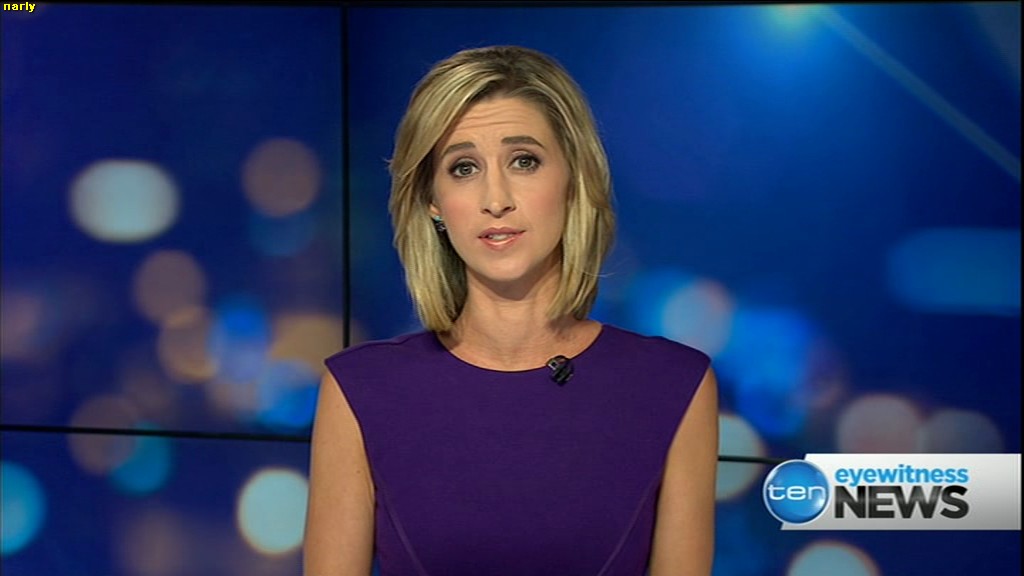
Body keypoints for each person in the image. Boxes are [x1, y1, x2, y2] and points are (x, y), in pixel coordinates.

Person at [304, 45, 718, 576]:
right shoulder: (360, 389)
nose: (495, 198)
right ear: (433, 202)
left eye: (524, 161)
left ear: (573, 179)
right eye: (463, 168)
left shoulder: (674, 385)